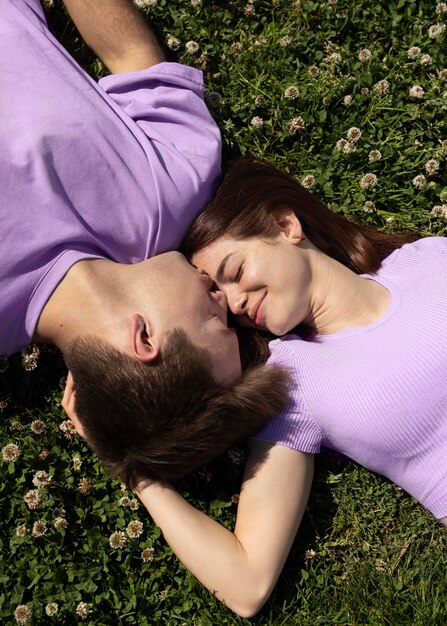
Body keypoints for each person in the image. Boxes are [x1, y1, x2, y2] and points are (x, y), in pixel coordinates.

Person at [125, 156, 446, 618]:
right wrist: (139, 473)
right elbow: (247, 584)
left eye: (234, 271)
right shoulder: (294, 380)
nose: (234, 301)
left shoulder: (427, 257)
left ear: (285, 225)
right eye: (220, 297)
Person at [1, 0, 289, 482]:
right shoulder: (174, 191)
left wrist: (136, 470)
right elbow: (130, 50)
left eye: (217, 323)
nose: (226, 301)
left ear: (144, 338)